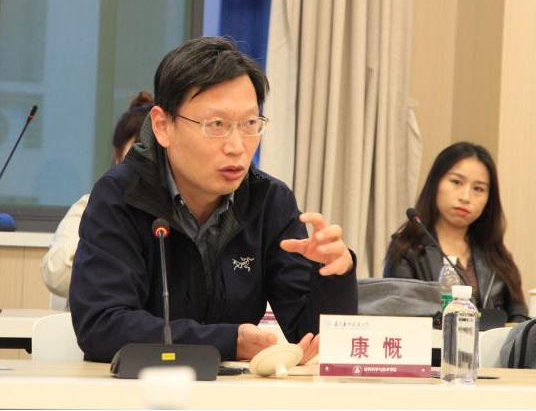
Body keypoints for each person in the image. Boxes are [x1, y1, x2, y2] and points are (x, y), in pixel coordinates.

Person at [69, 36, 358, 363]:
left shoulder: (270, 202)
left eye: (250, 124)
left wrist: (334, 275)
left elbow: (312, 339)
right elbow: (102, 326)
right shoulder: (121, 197)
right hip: (137, 387)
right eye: (216, 124)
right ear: (163, 126)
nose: (237, 146)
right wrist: (226, 342)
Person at [383, 141, 528, 322]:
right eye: (456, 182)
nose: (465, 197)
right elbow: (399, 318)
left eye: (478, 189)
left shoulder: (498, 257)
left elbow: (518, 319)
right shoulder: (406, 249)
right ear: (435, 183)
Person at [40, 91, 154, 299]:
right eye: (136, 154)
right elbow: (56, 274)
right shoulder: (93, 205)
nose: (146, 164)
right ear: (117, 157)